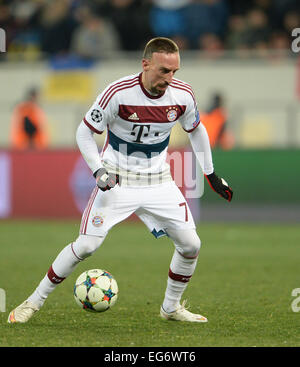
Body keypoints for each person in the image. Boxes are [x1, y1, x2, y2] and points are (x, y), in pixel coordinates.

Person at [8, 37, 233, 324]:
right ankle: (32, 302)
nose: (170, 78)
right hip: (118, 178)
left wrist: (210, 173)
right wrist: (98, 171)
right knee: (87, 246)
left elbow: (197, 130)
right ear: (146, 64)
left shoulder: (183, 95)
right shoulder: (118, 92)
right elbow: (83, 133)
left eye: (175, 71)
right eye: (164, 71)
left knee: (191, 245)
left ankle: (171, 308)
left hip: (158, 179)